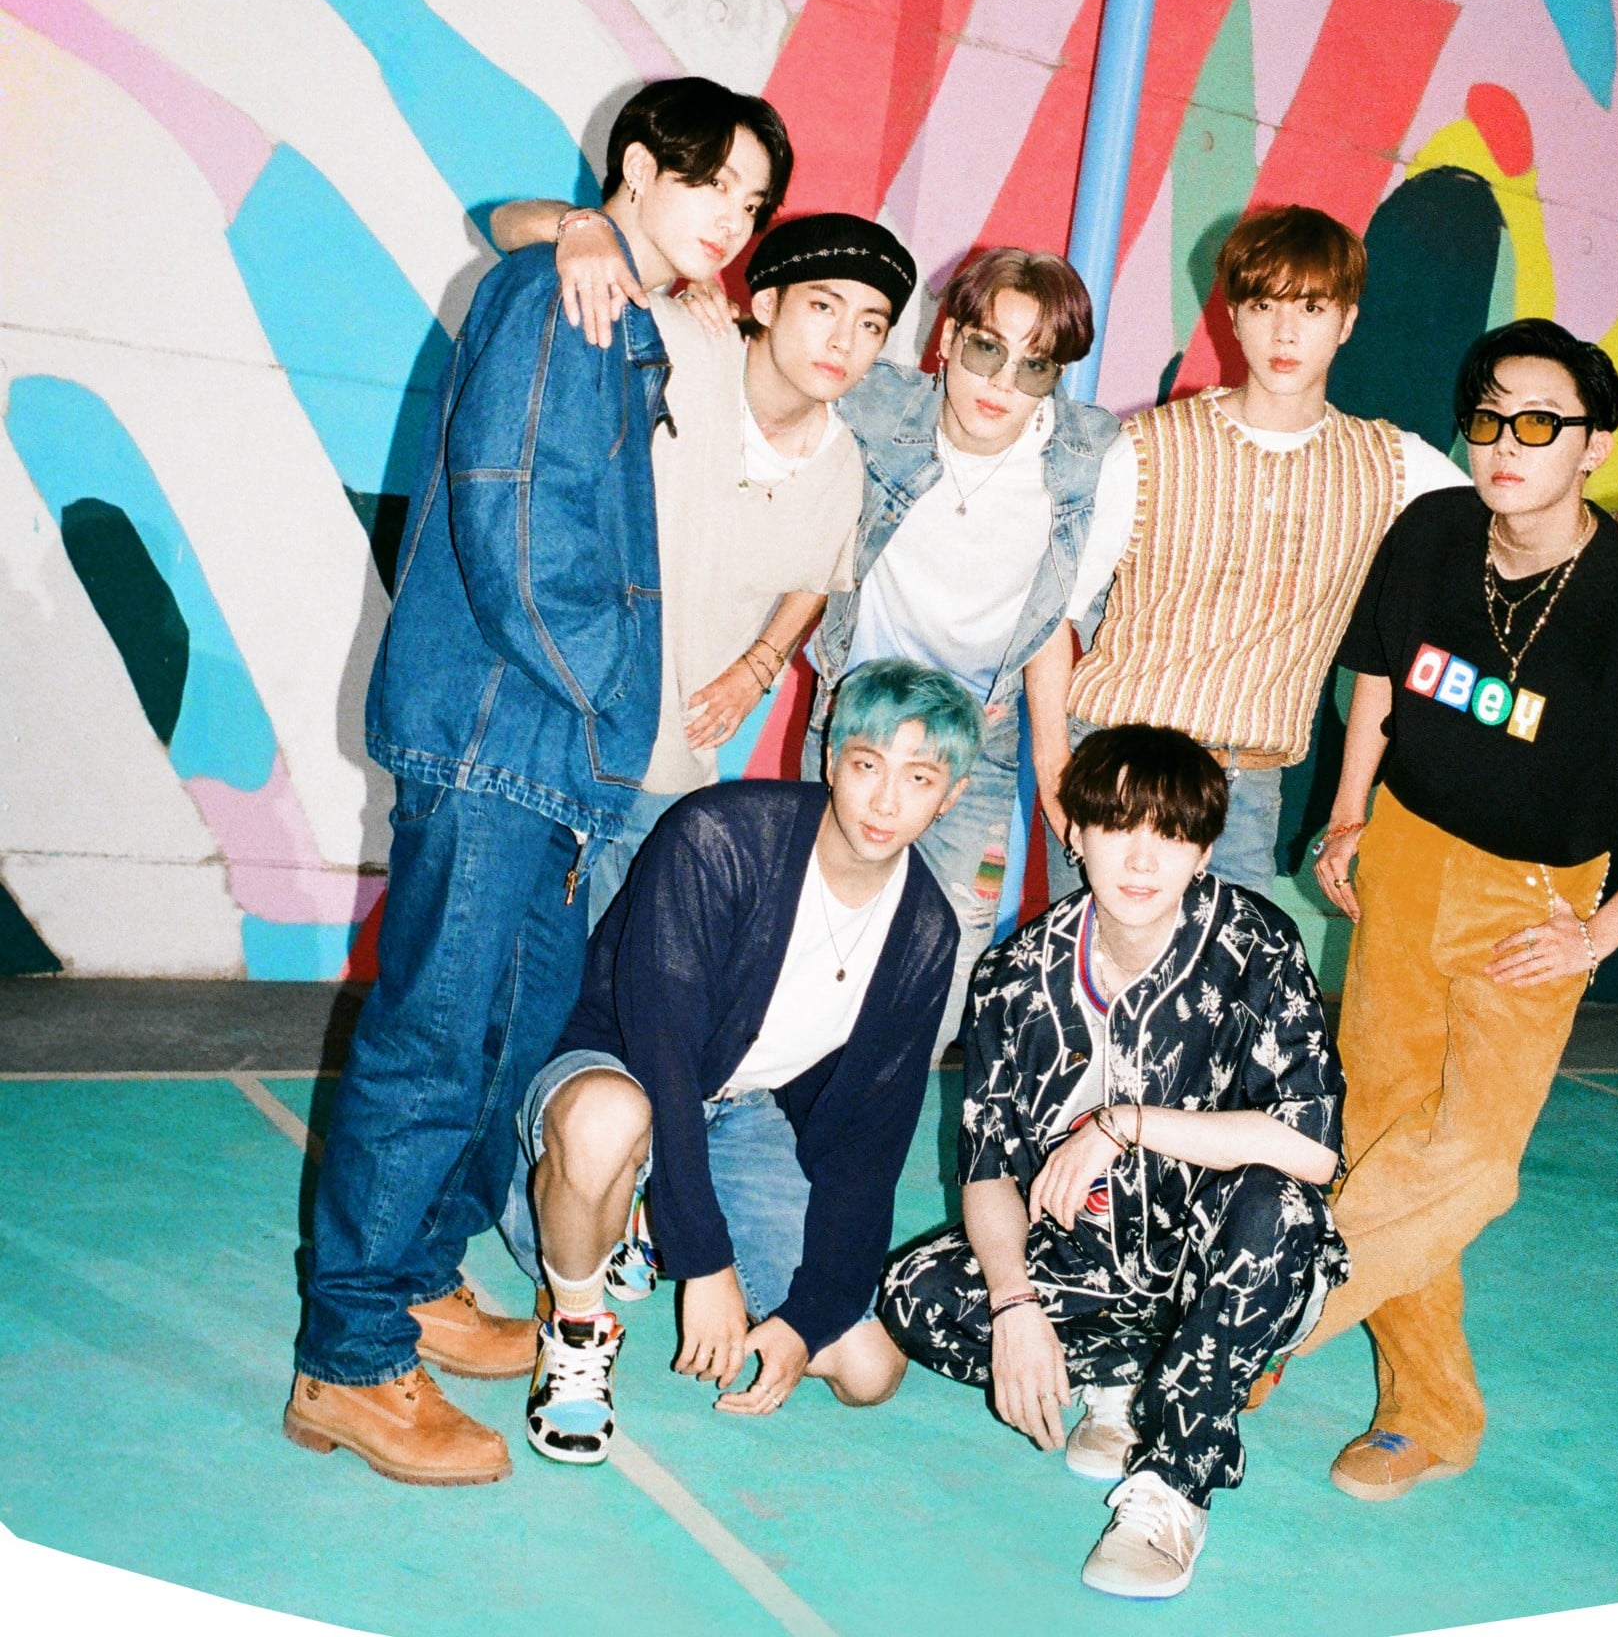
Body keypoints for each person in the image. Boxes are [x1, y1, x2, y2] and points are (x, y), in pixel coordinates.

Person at [284, 77, 793, 1488]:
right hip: (499, 737)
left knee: (505, 1044)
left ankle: (418, 1280)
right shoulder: (556, 299)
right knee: (433, 1045)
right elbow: (519, 535)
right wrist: (616, 698)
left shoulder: (618, 300)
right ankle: (349, 1361)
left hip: (548, 755)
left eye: (753, 203)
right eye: (714, 185)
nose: (733, 220)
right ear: (639, 165)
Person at [1301, 318, 1618, 1502]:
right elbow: (1381, 670)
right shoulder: (1435, 531)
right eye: (1490, 417)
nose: (1508, 442)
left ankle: (1260, 1318)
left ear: (1594, 446)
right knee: (1379, 1136)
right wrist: (1346, 814)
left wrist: (1597, 934)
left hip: (1531, 902)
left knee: (1472, 1159)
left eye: (1541, 423)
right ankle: (1429, 1414)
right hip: (1403, 861)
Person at [1057, 206, 1618, 903]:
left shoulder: (1390, 466)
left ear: (1347, 321)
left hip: (1247, 789)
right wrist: (1059, 772)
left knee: (1226, 975)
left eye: (1312, 307)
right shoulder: (1150, 446)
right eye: (1263, 305)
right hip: (1120, 772)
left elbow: (1524, 510)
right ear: (1232, 317)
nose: (1285, 332)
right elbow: (1055, 619)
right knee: (1089, 970)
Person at [882, 725, 1349, 1599]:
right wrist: (1015, 1303)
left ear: (1204, 849)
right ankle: (1118, 1378)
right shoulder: (1014, 977)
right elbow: (986, 1171)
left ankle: (1175, 1480)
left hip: (1215, 1259)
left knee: (1279, 1208)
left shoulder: (1255, 944)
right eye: (1117, 827)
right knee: (916, 1293)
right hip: (1082, 1259)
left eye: (1170, 835)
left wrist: (1124, 1124)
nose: (1141, 859)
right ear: (1076, 834)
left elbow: (1312, 1151)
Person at [497, 658, 980, 1463]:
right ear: (831, 758)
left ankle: (641, 1218)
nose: (886, 802)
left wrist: (804, 1321)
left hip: (740, 1109)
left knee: (866, 1369)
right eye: (868, 766)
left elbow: (870, 1147)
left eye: (920, 778)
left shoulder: (926, 933)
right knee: (615, 1120)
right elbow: (664, 1056)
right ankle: (575, 1326)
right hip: (614, 1066)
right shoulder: (717, 837)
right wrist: (705, 1260)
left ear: (951, 795)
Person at [485, 204, 920, 920]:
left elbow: (816, 578)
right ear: (767, 304)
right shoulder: (681, 346)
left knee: (626, 957)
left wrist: (758, 667)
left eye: (871, 324)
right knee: (514, 953)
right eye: (823, 306)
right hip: (561, 727)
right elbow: (505, 225)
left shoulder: (843, 466)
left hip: (674, 763)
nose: (844, 340)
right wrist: (585, 230)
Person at [809, 248, 1125, 1046]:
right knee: (816, 925)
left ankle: (885, 1106)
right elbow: (762, 364)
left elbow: (1054, 619)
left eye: (1034, 366)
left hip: (979, 736)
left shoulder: (1088, 459)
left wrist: (1053, 766)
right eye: (987, 348)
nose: (1001, 383)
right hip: (861, 716)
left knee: (949, 950)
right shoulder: (875, 402)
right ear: (947, 339)